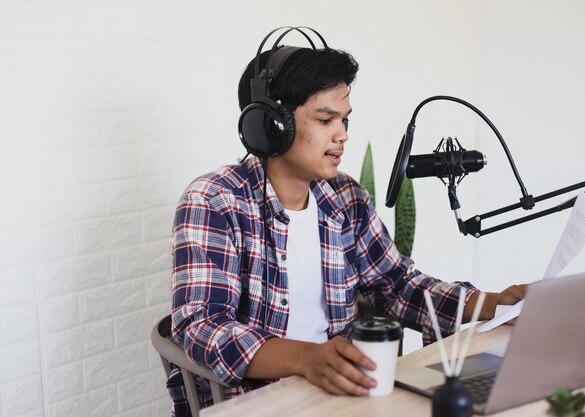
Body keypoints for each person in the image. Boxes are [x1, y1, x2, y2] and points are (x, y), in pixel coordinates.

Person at [168, 27, 527, 415]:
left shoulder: (345, 198)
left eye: (345, 121)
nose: (342, 136)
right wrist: (308, 359)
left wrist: (490, 305)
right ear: (270, 126)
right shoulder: (215, 200)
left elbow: (397, 285)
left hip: (338, 397)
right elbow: (201, 326)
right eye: (326, 120)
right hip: (252, 403)